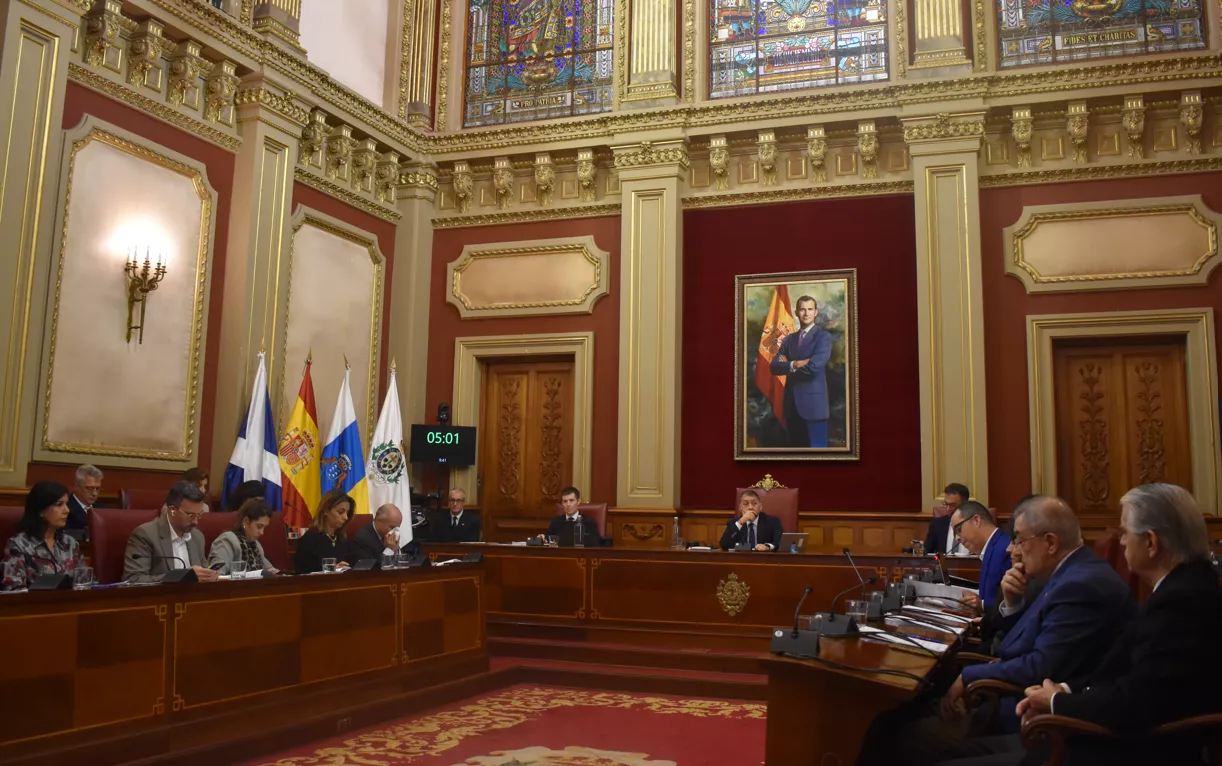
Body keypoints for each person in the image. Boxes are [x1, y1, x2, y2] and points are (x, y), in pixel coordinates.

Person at [861, 497, 1136, 766]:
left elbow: (1038, 665)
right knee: (893, 727)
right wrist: (1012, 603)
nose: (1011, 549)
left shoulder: (1079, 584)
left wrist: (969, 676)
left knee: (899, 738)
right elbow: (1026, 642)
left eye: (1019, 539)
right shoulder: (1066, 575)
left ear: (1050, 543)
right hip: (1015, 701)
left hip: (1033, 720)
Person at [1005, 484, 1222, 766]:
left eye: (1125, 533)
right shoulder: (1181, 588)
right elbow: (1124, 673)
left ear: (1151, 543)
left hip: (1127, 750)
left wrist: (1057, 703)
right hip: (1106, 734)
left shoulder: (1182, 602)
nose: (1121, 542)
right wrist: (1063, 690)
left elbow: (1137, 703)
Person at [768, 295, 833, 448]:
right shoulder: (789, 339)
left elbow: (814, 368)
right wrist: (795, 363)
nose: (806, 313)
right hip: (792, 406)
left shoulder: (823, 338)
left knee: (818, 456)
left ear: (816, 312)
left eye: (810, 309)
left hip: (814, 406)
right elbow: (774, 367)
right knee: (795, 455)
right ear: (796, 312)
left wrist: (788, 367)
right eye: (802, 309)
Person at [123, 481, 218, 583]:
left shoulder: (197, 537)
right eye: (190, 516)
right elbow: (133, 580)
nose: (195, 521)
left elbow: (201, 575)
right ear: (172, 510)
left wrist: (209, 576)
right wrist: (181, 577)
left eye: (199, 515)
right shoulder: (145, 535)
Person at [1, 481, 83, 591]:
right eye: (59, 505)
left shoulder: (71, 543)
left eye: (66, 504)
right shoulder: (19, 545)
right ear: (40, 510)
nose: (67, 510)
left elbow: (84, 581)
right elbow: (12, 589)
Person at [949, 500, 1009, 610]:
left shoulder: (1005, 549)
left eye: (959, 530)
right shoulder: (992, 547)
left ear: (976, 520)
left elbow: (1012, 605)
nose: (957, 538)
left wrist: (981, 605)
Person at [208, 498, 279, 575]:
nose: (262, 532)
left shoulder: (256, 545)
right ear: (246, 521)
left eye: (264, 527)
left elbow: (271, 571)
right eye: (259, 526)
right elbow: (217, 575)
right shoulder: (227, 540)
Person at [295, 489, 353, 573]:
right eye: (341, 512)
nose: (346, 517)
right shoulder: (310, 538)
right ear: (326, 510)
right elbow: (303, 573)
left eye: (347, 513)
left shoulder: (341, 538)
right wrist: (332, 570)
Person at [719, 489, 783, 551]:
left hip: (764, 559)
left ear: (760, 507)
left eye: (754, 503)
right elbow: (724, 545)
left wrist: (767, 546)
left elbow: (780, 542)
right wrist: (741, 522)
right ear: (740, 508)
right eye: (746, 504)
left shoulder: (772, 522)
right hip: (741, 560)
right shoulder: (733, 523)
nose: (750, 507)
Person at [926, 483, 970, 556]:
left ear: (965, 504)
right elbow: (927, 552)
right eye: (946, 504)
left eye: (952, 505)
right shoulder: (937, 524)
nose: (948, 509)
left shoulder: (976, 524)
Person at [66, 464, 103, 530]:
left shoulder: (103, 510)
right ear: (77, 486)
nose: (94, 493)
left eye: (97, 489)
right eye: (89, 489)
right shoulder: (66, 510)